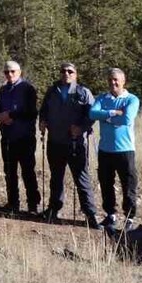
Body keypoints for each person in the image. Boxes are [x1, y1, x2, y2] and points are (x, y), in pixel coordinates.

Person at [38, 62, 100, 227]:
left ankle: (90, 214)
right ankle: (53, 209)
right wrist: (42, 121)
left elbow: (92, 115)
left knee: (81, 179)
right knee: (56, 178)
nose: (66, 73)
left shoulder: (83, 92)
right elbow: (43, 110)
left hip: (75, 143)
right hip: (55, 141)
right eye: (63, 71)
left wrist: (81, 128)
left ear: (75, 74)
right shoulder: (52, 91)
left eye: (70, 71)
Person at [90, 67, 140, 228]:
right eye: (110, 80)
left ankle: (129, 218)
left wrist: (105, 117)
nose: (113, 83)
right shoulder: (102, 98)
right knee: (106, 184)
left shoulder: (131, 99)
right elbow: (92, 113)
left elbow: (127, 119)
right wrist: (113, 113)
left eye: (116, 80)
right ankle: (110, 215)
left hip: (125, 150)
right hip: (105, 149)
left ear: (123, 81)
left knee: (128, 185)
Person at [0, 60, 40, 216]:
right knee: (9, 172)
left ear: (19, 72)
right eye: (6, 72)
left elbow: (32, 112)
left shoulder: (28, 89)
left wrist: (11, 115)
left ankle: (33, 205)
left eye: (12, 71)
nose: (9, 74)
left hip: (25, 137)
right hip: (7, 136)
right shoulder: (3, 90)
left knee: (28, 171)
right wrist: (0, 117)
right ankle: (12, 203)